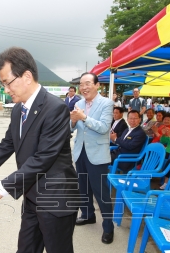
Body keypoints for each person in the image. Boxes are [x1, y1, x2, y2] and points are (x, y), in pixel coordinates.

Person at [0, 47, 80, 252]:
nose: (6, 90)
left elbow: (43, 158)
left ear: (27, 76)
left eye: (7, 82)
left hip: (55, 199)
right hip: (32, 196)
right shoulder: (19, 109)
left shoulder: (55, 108)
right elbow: (7, 144)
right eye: (2, 84)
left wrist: (0, 189)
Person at [71, 72, 115, 244]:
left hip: (97, 154)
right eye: (81, 84)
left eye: (88, 83)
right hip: (80, 152)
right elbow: (71, 128)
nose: (84, 87)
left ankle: (108, 227)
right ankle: (88, 215)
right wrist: (73, 121)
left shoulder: (107, 103)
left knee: (101, 192)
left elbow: (104, 128)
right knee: (83, 188)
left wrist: (83, 117)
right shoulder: (78, 102)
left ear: (97, 85)